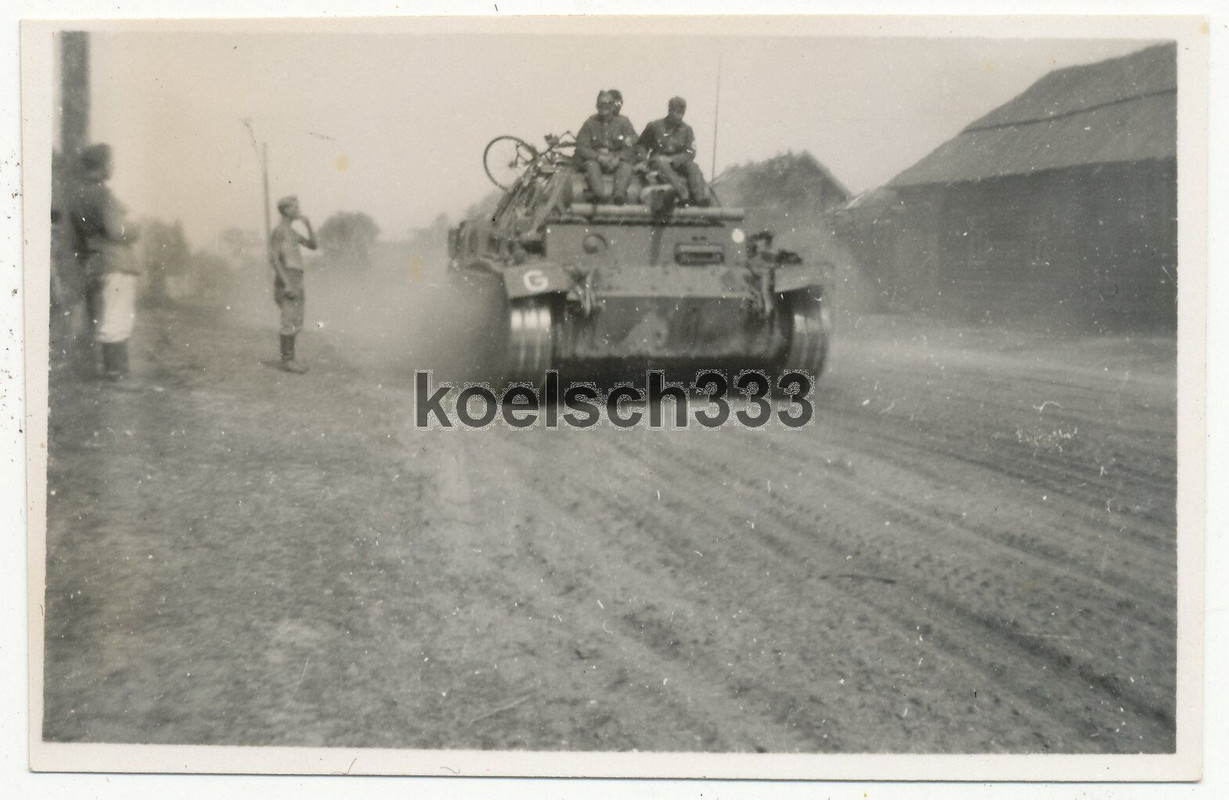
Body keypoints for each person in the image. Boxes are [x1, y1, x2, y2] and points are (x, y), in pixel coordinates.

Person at [69, 143, 141, 381]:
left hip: (94, 263)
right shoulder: (103, 194)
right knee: (117, 315)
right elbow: (116, 230)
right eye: (110, 162)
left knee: (101, 316)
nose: (113, 167)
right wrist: (135, 227)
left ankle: (99, 370)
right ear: (101, 166)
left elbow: (77, 238)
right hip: (115, 262)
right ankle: (116, 372)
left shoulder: (77, 196)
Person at [269, 195, 317, 374]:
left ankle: (291, 359)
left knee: (297, 321)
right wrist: (286, 283)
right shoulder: (279, 231)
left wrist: (308, 225)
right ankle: (287, 360)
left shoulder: (293, 232)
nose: (299, 211)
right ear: (286, 210)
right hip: (287, 278)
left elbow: (313, 245)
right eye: (295, 208)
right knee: (289, 320)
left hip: (297, 277)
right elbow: (274, 258)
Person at [637, 96, 710, 206]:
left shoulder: (687, 130)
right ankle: (683, 195)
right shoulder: (655, 126)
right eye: (677, 112)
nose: (680, 116)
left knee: (693, 167)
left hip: (678, 162)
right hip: (658, 161)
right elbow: (641, 145)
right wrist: (643, 160)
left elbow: (690, 152)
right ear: (670, 110)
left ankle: (699, 198)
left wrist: (672, 160)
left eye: (682, 112)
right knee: (661, 164)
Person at [575, 90, 638, 205]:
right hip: (596, 160)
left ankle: (619, 195)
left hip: (616, 160)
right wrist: (598, 157)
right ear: (596, 106)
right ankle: (600, 195)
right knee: (591, 165)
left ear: (613, 106)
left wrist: (619, 158)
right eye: (601, 104)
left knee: (626, 167)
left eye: (608, 104)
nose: (604, 107)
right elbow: (581, 147)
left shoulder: (623, 122)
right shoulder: (589, 123)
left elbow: (632, 146)